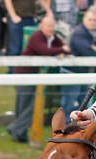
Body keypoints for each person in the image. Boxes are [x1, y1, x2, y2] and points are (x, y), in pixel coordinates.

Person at [7, 15, 70, 143]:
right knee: (25, 105)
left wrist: (62, 50)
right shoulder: (37, 36)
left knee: (28, 105)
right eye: (49, 26)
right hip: (23, 74)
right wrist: (60, 50)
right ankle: (16, 129)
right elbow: (44, 50)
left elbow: (65, 48)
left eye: (53, 26)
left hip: (33, 75)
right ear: (41, 26)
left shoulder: (53, 38)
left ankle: (18, 132)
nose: (51, 29)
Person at [62, 8, 96, 123]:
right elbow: (86, 51)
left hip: (83, 74)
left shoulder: (94, 33)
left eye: (94, 20)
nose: (92, 22)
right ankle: (64, 130)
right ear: (84, 20)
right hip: (72, 74)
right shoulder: (79, 32)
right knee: (69, 104)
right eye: (90, 20)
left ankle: (75, 130)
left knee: (82, 106)